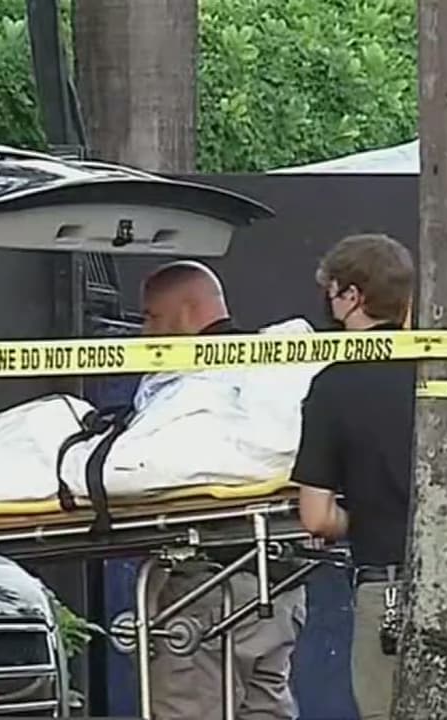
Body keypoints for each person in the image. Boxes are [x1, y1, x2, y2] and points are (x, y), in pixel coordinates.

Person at [139, 260, 307, 720]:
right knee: (265, 707)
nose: (145, 334)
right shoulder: (269, 372)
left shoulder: (190, 386)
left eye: (152, 317)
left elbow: (146, 468)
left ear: (186, 311)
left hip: (207, 588)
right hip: (279, 585)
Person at [290, 234, 416, 720]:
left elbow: (316, 517)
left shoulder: (333, 386)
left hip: (386, 584)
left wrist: (359, 515)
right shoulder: (443, 365)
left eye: (332, 292)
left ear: (352, 296)